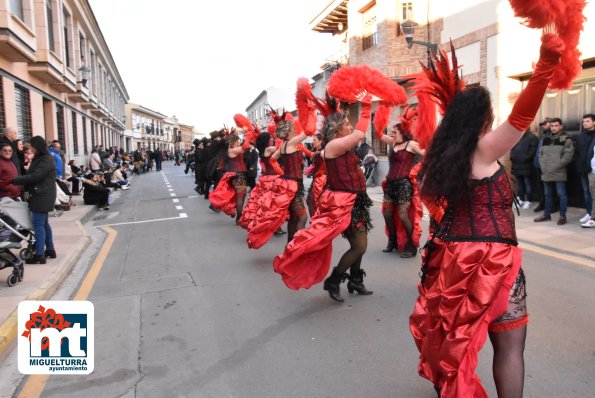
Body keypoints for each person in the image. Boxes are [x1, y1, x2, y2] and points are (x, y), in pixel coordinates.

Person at [409, 34, 564, 397]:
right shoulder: (482, 150)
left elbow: (433, 205)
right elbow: (522, 116)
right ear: (483, 119)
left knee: (453, 341)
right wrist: (544, 66)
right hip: (491, 259)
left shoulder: (440, 158)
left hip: (453, 257)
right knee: (509, 347)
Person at [274, 92, 373, 302]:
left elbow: (356, 136)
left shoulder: (340, 144)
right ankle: (334, 280)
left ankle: (355, 280)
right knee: (360, 245)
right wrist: (366, 107)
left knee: (360, 242)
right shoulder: (333, 146)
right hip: (342, 204)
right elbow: (359, 134)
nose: (350, 126)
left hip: (356, 201)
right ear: (337, 129)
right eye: (346, 123)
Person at [378, 122, 425, 257]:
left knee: (403, 215)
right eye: (391, 132)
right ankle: (392, 241)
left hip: (404, 184)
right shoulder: (394, 143)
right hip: (390, 184)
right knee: (387, 213)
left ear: (403, 133)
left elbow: (428, 155)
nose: (392, 134)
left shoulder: (410, 144)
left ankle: (411, 246)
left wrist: (415, 170)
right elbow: (379, 134)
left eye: (394, 132)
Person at [12, 136, 57, 264]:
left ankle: (39, 255)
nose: (30, 148)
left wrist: (15, 180)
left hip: (41, 195)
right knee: (44, 224)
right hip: (42, 194)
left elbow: (36, 176)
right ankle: (50, 250)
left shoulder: (45, 159)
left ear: (37, 146)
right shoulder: (42, 157)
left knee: (38, 224)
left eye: (31, 146)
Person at [534, 117, 574, 225]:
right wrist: (543, 166)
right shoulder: (545, 138)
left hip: (559, 171)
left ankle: (562, 216)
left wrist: (559, 165)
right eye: (552, 126)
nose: (554, 128)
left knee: (561, 193)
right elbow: (540, 154)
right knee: (547, 194)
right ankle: (546, 215)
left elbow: (568, 156)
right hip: (546, 171)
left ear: (561, 126)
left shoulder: (566, 138)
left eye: (556, 125)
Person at [574, 113, 595, 224]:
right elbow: (576, 152)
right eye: (584, 121)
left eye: (587, 121)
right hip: (583, 169)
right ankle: (589, 212)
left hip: (593, 169)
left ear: (594, 122)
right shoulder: (580, 136)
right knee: (586, 192)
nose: (585, 123)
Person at [510, 129, 538, 209]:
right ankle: (521, 199)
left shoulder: (532, 137)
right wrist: (512, 157)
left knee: (527, 183)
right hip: (516, 164)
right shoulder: (516, 136)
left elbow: (533, 151)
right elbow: (512, 148)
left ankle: (528, 200)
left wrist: (525, 158)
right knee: (519, 184)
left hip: (526, 164)